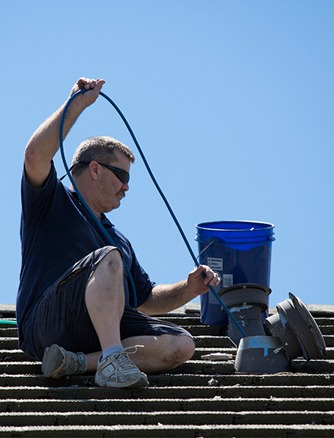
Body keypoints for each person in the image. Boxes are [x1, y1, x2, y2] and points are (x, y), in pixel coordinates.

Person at [17, 77, 221, 389]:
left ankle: (78, 362)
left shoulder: (119, 240)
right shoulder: (52, 201)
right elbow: (34, 155)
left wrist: (189, 288)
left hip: (90, 337)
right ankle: (112, 360)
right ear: (95, 169)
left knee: (182, 344)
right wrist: (77, 105)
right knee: (107, 258)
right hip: (46, 324)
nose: (127, 187)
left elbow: (146, 297)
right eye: (122, 175)